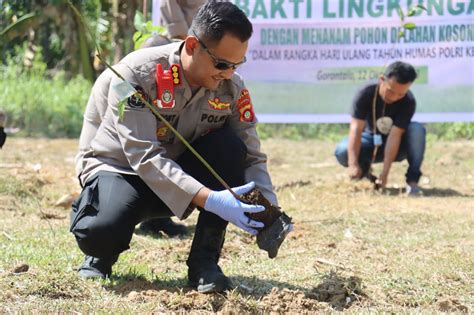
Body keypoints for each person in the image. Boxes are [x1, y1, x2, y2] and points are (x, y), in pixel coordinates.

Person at [70, 0, 278, 293]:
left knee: (230, 149)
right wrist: (212, 199)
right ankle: (100, 252)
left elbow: (252, 155)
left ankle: (205, 262)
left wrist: (270, 211)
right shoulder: (134, 74)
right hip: (121, 170)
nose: (228, 74)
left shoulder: (233, 89)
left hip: (179, 175)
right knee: (101, 232)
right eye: (221, 64)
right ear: (192, 45)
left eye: (236, 65)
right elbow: (143, 155)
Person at [334, 61, 426, 195]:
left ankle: (412, 182)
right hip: (370, 142)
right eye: (391, 91)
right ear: (382, 79)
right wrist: (353, 164)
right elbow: (356, 129)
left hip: (397, 145)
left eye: (400, 94)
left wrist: (385, 173)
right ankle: (364, 174)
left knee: (417, 130)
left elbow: (395, 135)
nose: (394, 98)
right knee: (342, 150)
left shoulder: (409, 101)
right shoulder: (365, 93)